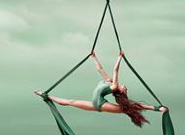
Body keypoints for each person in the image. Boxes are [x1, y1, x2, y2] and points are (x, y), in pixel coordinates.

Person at [34, 51, 167, 127]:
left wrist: (119, 58)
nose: (126, 88)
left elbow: (116, 70)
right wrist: (93, 57)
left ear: (120, 91)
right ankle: (44, 95)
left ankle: (158, 108)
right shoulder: (109, 81)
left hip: (101, 105)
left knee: (132, 107)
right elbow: (100, 69)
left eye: (125, 90)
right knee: (71, 102)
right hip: (95, 105)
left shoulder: (114, 86)